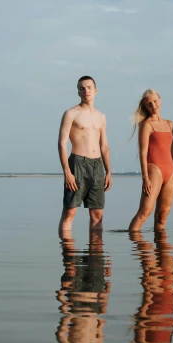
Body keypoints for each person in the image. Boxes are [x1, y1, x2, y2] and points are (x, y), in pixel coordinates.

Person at [57, 76, 112, 232]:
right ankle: (68, 254)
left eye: (88, 87)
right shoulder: (71, 113)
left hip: (97, 166)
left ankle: (95, 254)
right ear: (78, 92)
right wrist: (67, 172)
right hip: (78, 163)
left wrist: (109, 171)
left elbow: (104, 145)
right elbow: (62, 143)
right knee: (70, 211)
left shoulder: (101, 117)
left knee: (97, 214)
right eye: (82, 88)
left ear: (95, 90)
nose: (86, 90)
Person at [128, 89, 173, 231]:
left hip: (170, 172)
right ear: (145, 107)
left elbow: (172, 150)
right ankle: (136, 246)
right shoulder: (146, 125)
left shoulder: (170, 124)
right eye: (149, 104)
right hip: (154, 170)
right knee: (144, 212)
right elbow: (143, 152)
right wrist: (145, 178)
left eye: (155, 101)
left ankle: (161, 251)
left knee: (162, 215)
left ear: (160, 100)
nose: (153, 105)